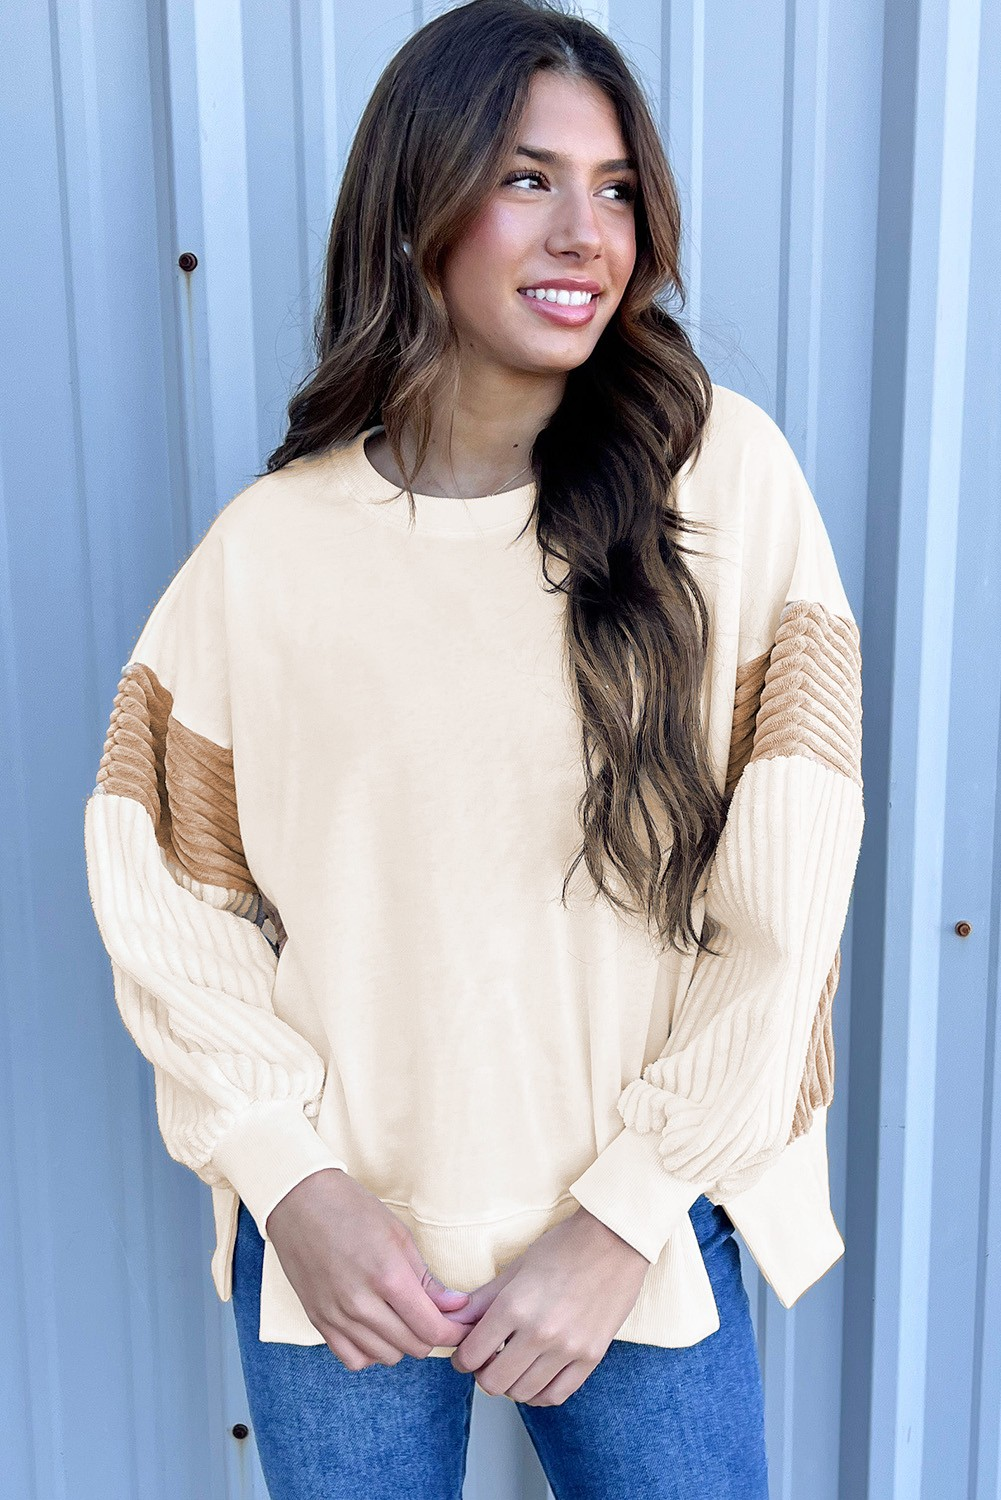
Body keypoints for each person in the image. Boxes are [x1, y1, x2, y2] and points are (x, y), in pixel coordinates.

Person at [82, 0, 865, 1495]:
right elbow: (163, 891)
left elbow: (792, 890)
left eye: (616, 189)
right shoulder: (269, 551)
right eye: (526, 178)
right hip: (345, 1254)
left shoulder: (723, 482)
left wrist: (627, 1213)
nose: (585, 233)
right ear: (417, 203)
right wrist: (289, 1182)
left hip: (638, 1235)